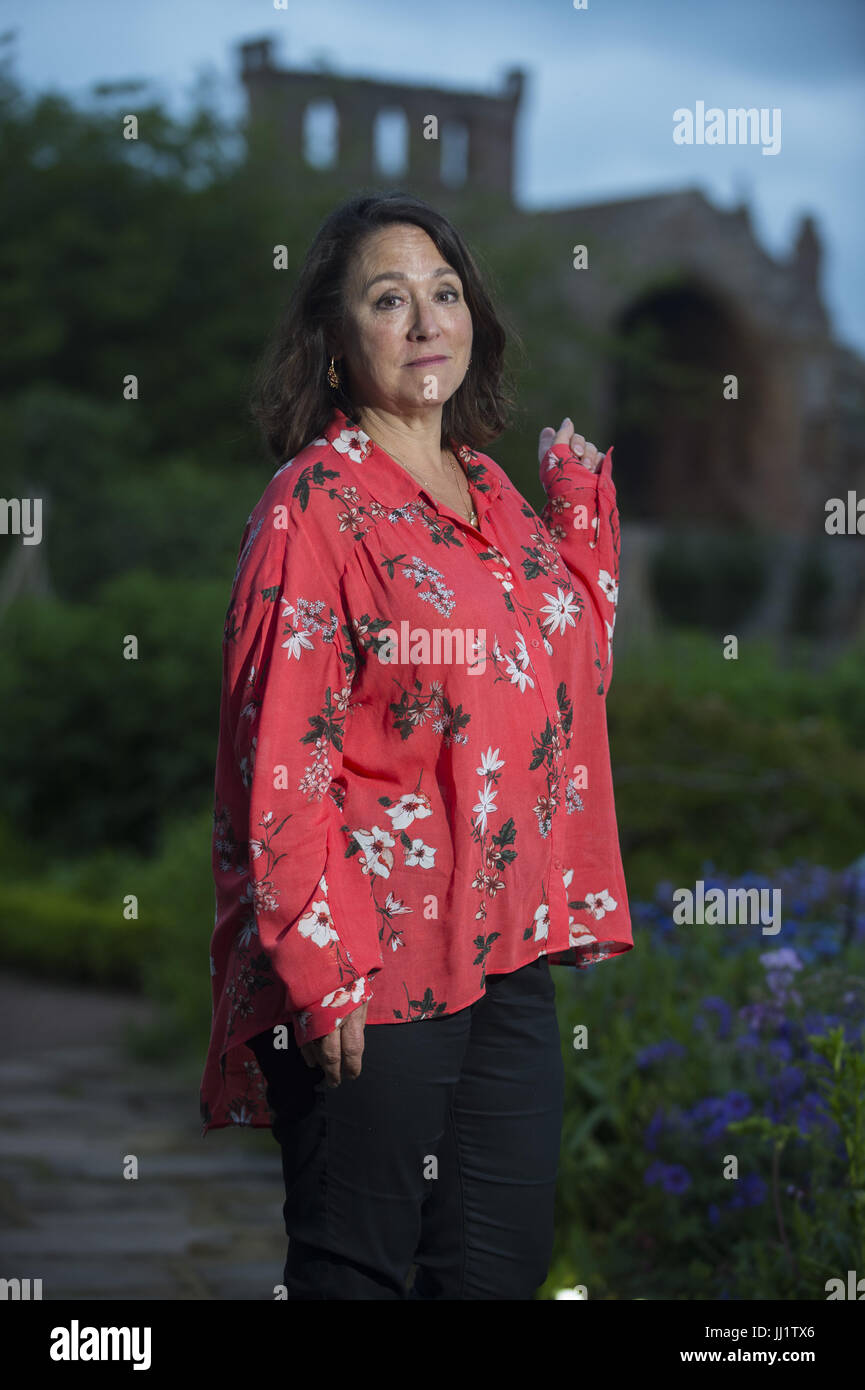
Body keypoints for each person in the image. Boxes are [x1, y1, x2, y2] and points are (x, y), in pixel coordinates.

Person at [199, 190, 633, 1300]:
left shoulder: (493, 493)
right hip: (369, 964)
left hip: (506, 953)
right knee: (358, 1273)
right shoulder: (315, 507)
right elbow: (277, 756)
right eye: (388, 299)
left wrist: (580, 516)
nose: (426, 318)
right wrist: (317, 968)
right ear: (336, 348)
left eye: (443, 292)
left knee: (495, 1271)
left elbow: (563, 677)